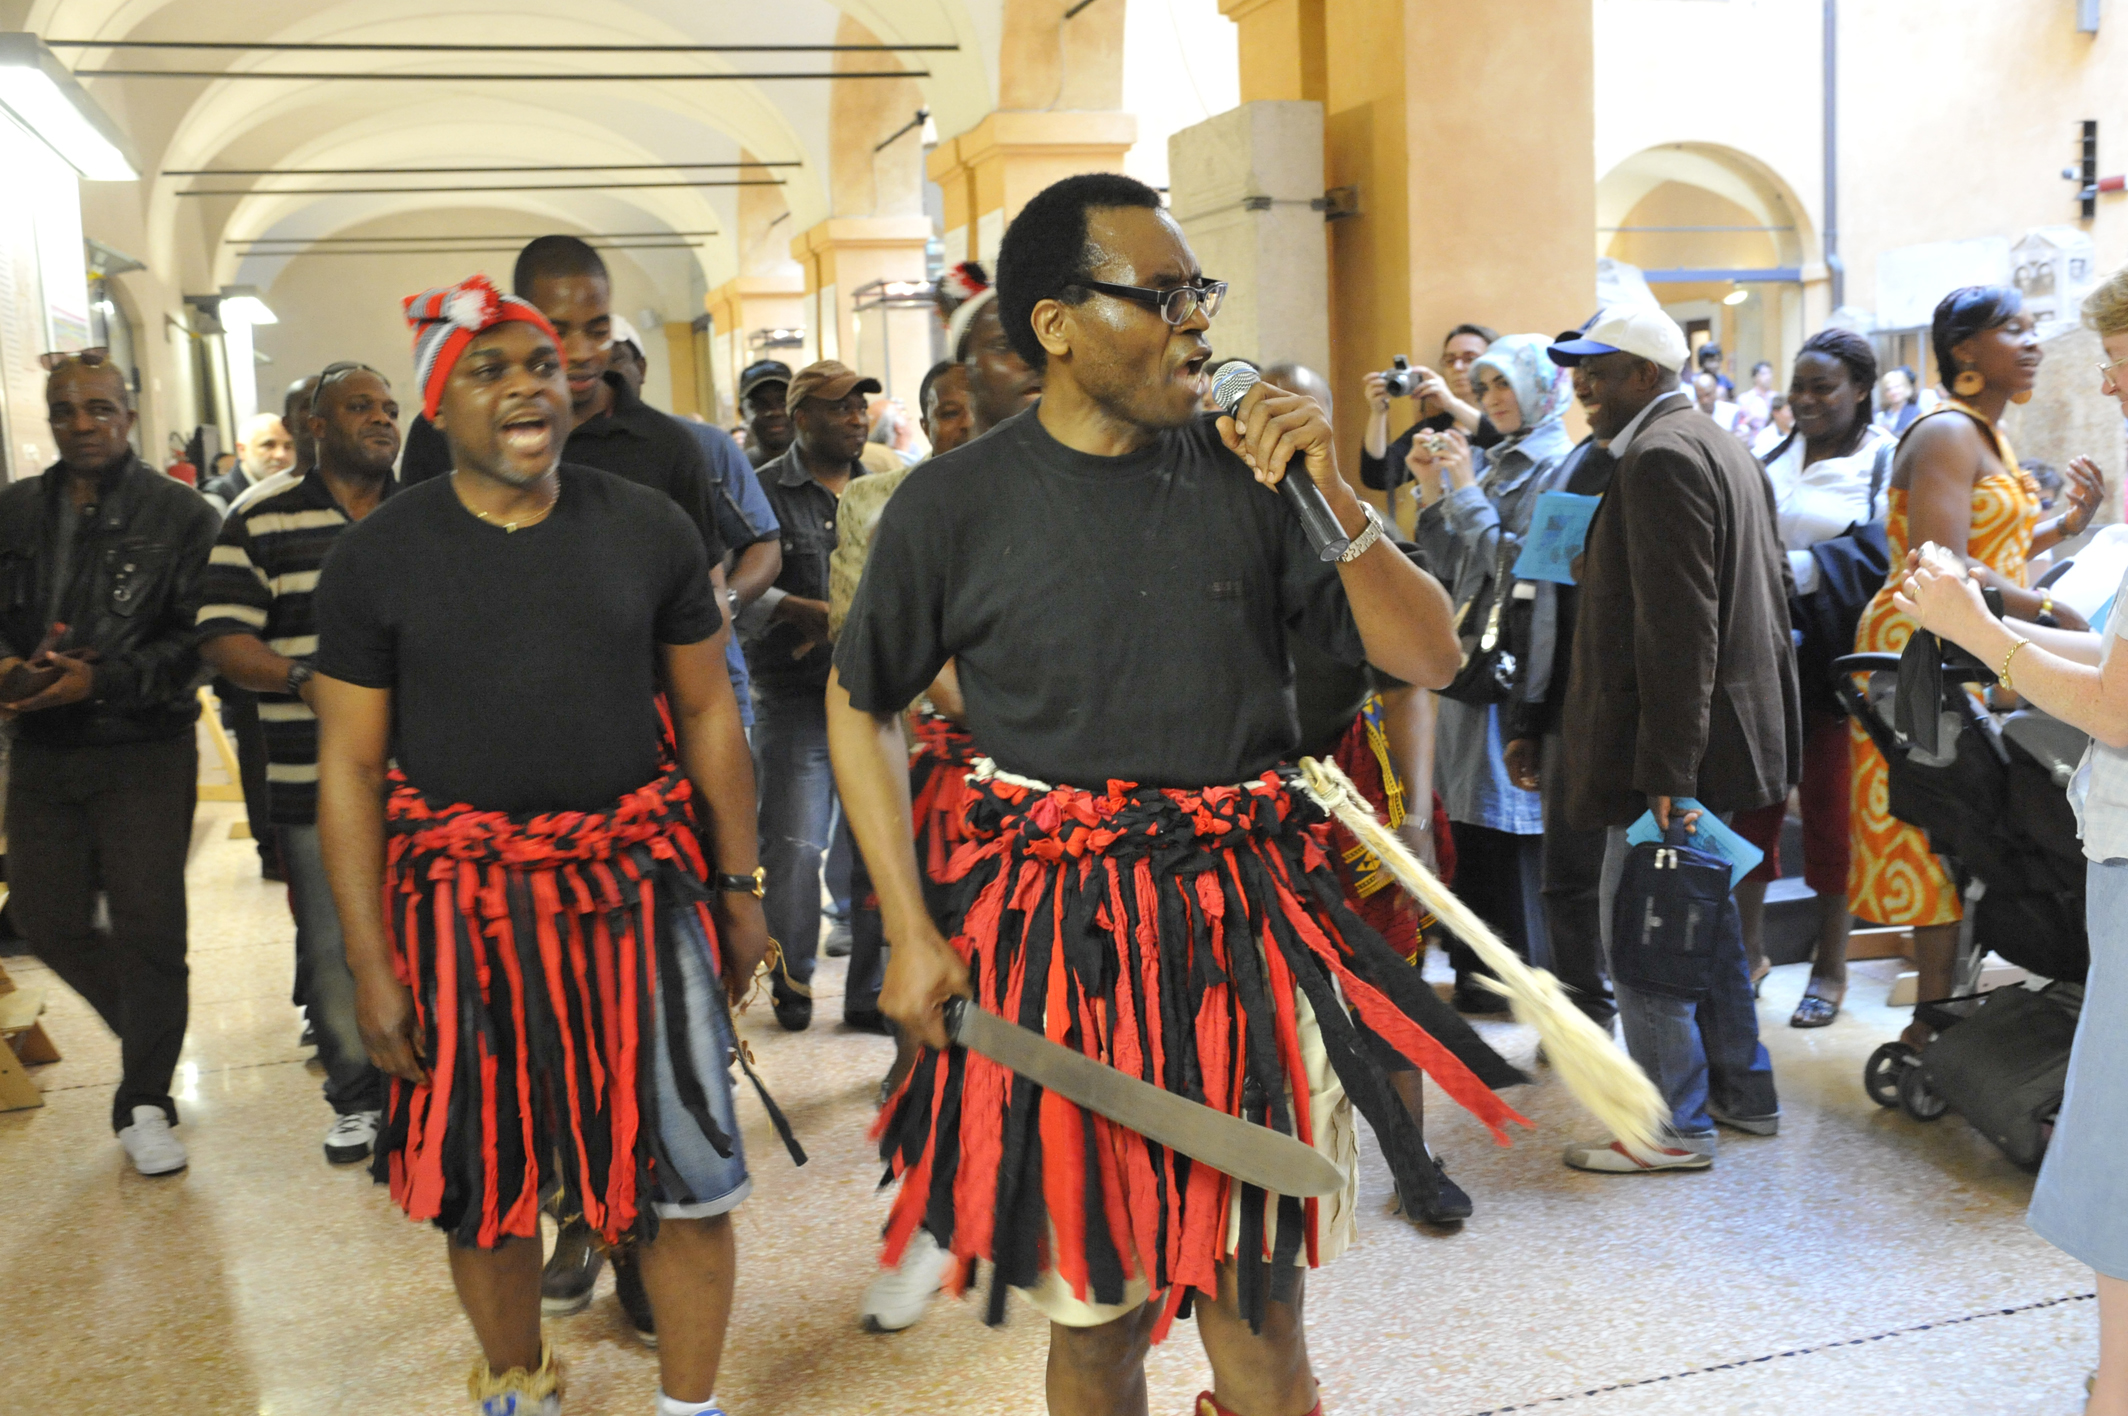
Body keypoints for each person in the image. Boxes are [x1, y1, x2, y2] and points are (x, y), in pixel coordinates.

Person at [830, 172, 1522, 1416]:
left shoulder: (1259, 485)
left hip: (1247, 945)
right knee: (1100, 1327)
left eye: (1198, 294)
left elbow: (1430, 659)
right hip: (1062, 961)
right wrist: (911, 930)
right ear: (1053, 326)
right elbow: (860, 697)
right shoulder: (951, 508)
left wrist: (1335, 491)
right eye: (1159, 298)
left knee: (1261, 1320)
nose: (1195, 326)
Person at [314, 276, 775, 1416]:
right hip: (459, 913)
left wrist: (742, 885)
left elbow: (711, 711)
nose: (526, 384)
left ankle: (691, 1405)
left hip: (640, 895)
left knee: (688, 1172)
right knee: (486, 1186)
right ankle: (515, 1381)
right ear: (438, 408)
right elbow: (351, 769)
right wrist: (370, 967)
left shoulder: (647, 524)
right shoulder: (379, 558)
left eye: (539, 365)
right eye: (489, 369)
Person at [1893, 262, 2128, 1416]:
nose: (2108, 383)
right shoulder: (1947, 437)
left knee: (2119, 1165)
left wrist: (1983, 632)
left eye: (2120, 363)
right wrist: (1993, 624)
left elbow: (2124, 707)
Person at [1547, 305, 1799, 1173]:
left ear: (1648, 375)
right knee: (1707, 921)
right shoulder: (1717, 443)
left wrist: (1667, 774)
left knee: (1644, 929)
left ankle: (1668, 1125)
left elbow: (1682, 632)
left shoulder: (1658, 458)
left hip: (1670, 750)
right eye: (1579, 369)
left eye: (1603, 369)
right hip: (1719, 739)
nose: (1584, 385)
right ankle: (1743, 1092)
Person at [1849, 286, 2104, 1051]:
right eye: (2011, 330)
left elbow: (1987, 549)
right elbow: (1941, 561)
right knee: (1940, 820)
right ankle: (1930, 1027)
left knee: (1974, 819)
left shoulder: (1986, 434)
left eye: (2033, 329)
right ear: (1964, 350)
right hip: (1917, 652)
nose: (2031, 343)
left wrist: (2066, 527)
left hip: (1968, 641)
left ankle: (1945, 1019)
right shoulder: (1949, 433)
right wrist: (2047, 610)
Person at [1266, 357, 1472, 1227]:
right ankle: (1278, 1156)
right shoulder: (1209, 524)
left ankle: (1413, 1156)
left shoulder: (1362, 535)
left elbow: (1412, 678)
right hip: (1243, 788)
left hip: (1350, 776)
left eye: (1314, 421)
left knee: (1390, 975)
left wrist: (1414, 817)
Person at [0, 354, 218, 1175]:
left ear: (128, 413)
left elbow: (198, 642)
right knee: (46, 917)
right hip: (43, 750)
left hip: (142, 747)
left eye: (98, 408)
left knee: (148, 926)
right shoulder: (14, 512)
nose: (81, 424)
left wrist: (103, 681)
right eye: (65, 411)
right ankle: (153, 1032)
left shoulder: (182, 515)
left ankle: (145, 1100)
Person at [196, 362, 400, 1163]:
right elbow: (222, 637)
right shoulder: (262, 516)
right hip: (309, 775)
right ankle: (357, 1097)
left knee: (427, 931)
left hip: (425, 776)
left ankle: (435, 1084)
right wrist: (296, 677)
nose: (382, 420)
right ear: (316, 426)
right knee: (334, 939)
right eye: (360, 407)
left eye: (389, 407)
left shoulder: (422, 514)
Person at [1404, 335, 1574, 1011]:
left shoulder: (1560, 468)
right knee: (1470, 821)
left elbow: (1532, 573)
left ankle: (1528, 981)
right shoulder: (1498, 465)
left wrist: (1468, 493)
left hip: (1518, 677)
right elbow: (1450, 567)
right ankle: (1479, 975)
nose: (1493, 401)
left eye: (1504, 385)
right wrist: (1430, 488)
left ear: (1540, 388)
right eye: (1484, 389)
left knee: (1513, 827)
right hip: (1470, 669)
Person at [1736, 330, 1895, 1027]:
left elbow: (1885, 552)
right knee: (1750, 812)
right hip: (1763, 665)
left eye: (1821, 387)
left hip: (1835, 671)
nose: (1804, 400)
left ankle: (1831, 967)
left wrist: (1798, 570)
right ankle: (1748, 955)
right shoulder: (1771, 457)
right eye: (1797, 387)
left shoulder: (1885, 460)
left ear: (1860, 389)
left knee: (1831, 818)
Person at [748, 359, 881, 1033]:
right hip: (794, 696)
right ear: (803, 420)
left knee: (871, 846)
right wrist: (788, 607)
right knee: (795, 845)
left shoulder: (884, 486)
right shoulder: (761, 492)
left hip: (868, 696)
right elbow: (729, 590)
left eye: (862, 407)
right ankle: (792, 975)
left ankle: (869, 995)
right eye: (840, 408)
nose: (857, 418)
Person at [607, 317, 785, 737]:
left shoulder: (699, 444)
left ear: (642, 367)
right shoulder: (555, 453)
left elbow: (764, 542)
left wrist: (724, 603)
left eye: (616, 359)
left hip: (707, 671)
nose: (599, 371)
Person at [1357, 323, 1501, 500]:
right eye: (1449, 360)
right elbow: (1378, 477)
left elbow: (1501, 439)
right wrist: (1378, 413)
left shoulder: (1508, 419)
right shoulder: (1435, 427)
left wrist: (1450, 403)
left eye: (1469, 358)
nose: (1457, 367)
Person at [202, 410, 295, 514]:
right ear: (241, 450)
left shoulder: (298, 493)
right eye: (268, 445)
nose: (281, 455)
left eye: (288, 446)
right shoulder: (218, 500)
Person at [739, 359, 795, 469]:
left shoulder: (827, 466)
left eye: (783, 402)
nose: (774, 412)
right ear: (742, 413)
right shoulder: (737, 472)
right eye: (761, 404)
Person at [1875, 364, 1922, 436]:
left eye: (1897, 387)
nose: (1893, 392)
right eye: (1888, 389)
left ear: (1906, 388)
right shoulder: (1881, 414)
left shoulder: (1915, 412)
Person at [1736, 359, 1778, 439]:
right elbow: (1739, 424)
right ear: (1755, 377)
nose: (1768, 377)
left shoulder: (1776, 398)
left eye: (1770, 373)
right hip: (1751, 441)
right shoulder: (1744, 399)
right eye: (1764, 373)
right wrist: (1753, 417)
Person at [1749, 393, 1793, 457]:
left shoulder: (1794, 432)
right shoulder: (1765, 436)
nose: (1792, 414)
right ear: (1776, 413)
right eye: (1789, 410)